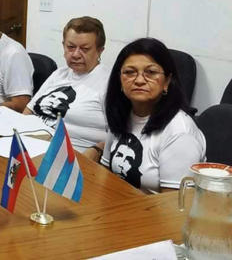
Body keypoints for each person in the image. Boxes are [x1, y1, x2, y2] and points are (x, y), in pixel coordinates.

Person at [100, 38, 206, 193]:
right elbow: (106, 177)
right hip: (118, 202)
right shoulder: (121, 114)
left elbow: (173, 204)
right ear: (119, 80)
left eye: (151, 72)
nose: (139, 80)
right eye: (129, 72)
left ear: (167, 81)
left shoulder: (180, 132)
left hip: (157, 208)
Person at [24, 16, 110, 156]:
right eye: (70, 47)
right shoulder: (59, 74)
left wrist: (98, 150)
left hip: (70, 157)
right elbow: (29, 110)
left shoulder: (108, 83)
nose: (75, 54)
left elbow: (121, 135)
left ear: (100, 50)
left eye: (85, 49)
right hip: (32, 146)